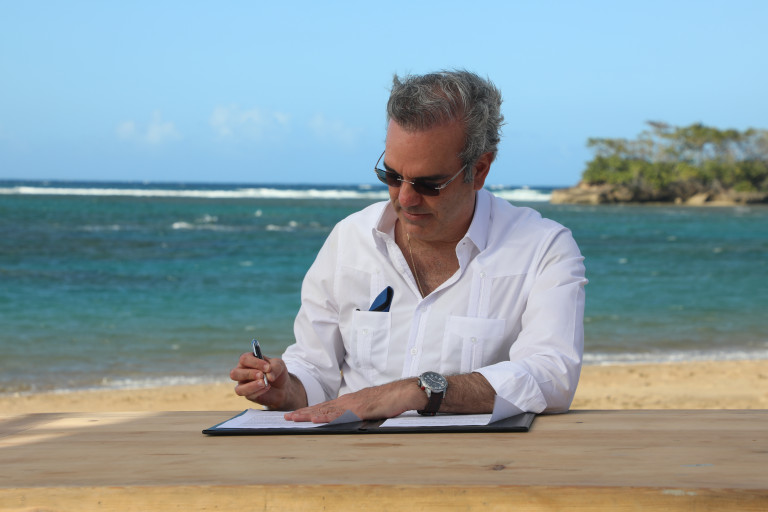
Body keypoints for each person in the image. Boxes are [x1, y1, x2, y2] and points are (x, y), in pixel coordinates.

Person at [230, 70, 587, 423]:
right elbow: (314, 368)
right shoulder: (349, 239)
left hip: (476, 458)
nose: (404, 198)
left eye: (429, 184)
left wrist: (417, 391)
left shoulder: (543, 248)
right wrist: (286, 389)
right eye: (392, 176)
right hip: (356, 455)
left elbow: (552, 376)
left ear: (479, 170)